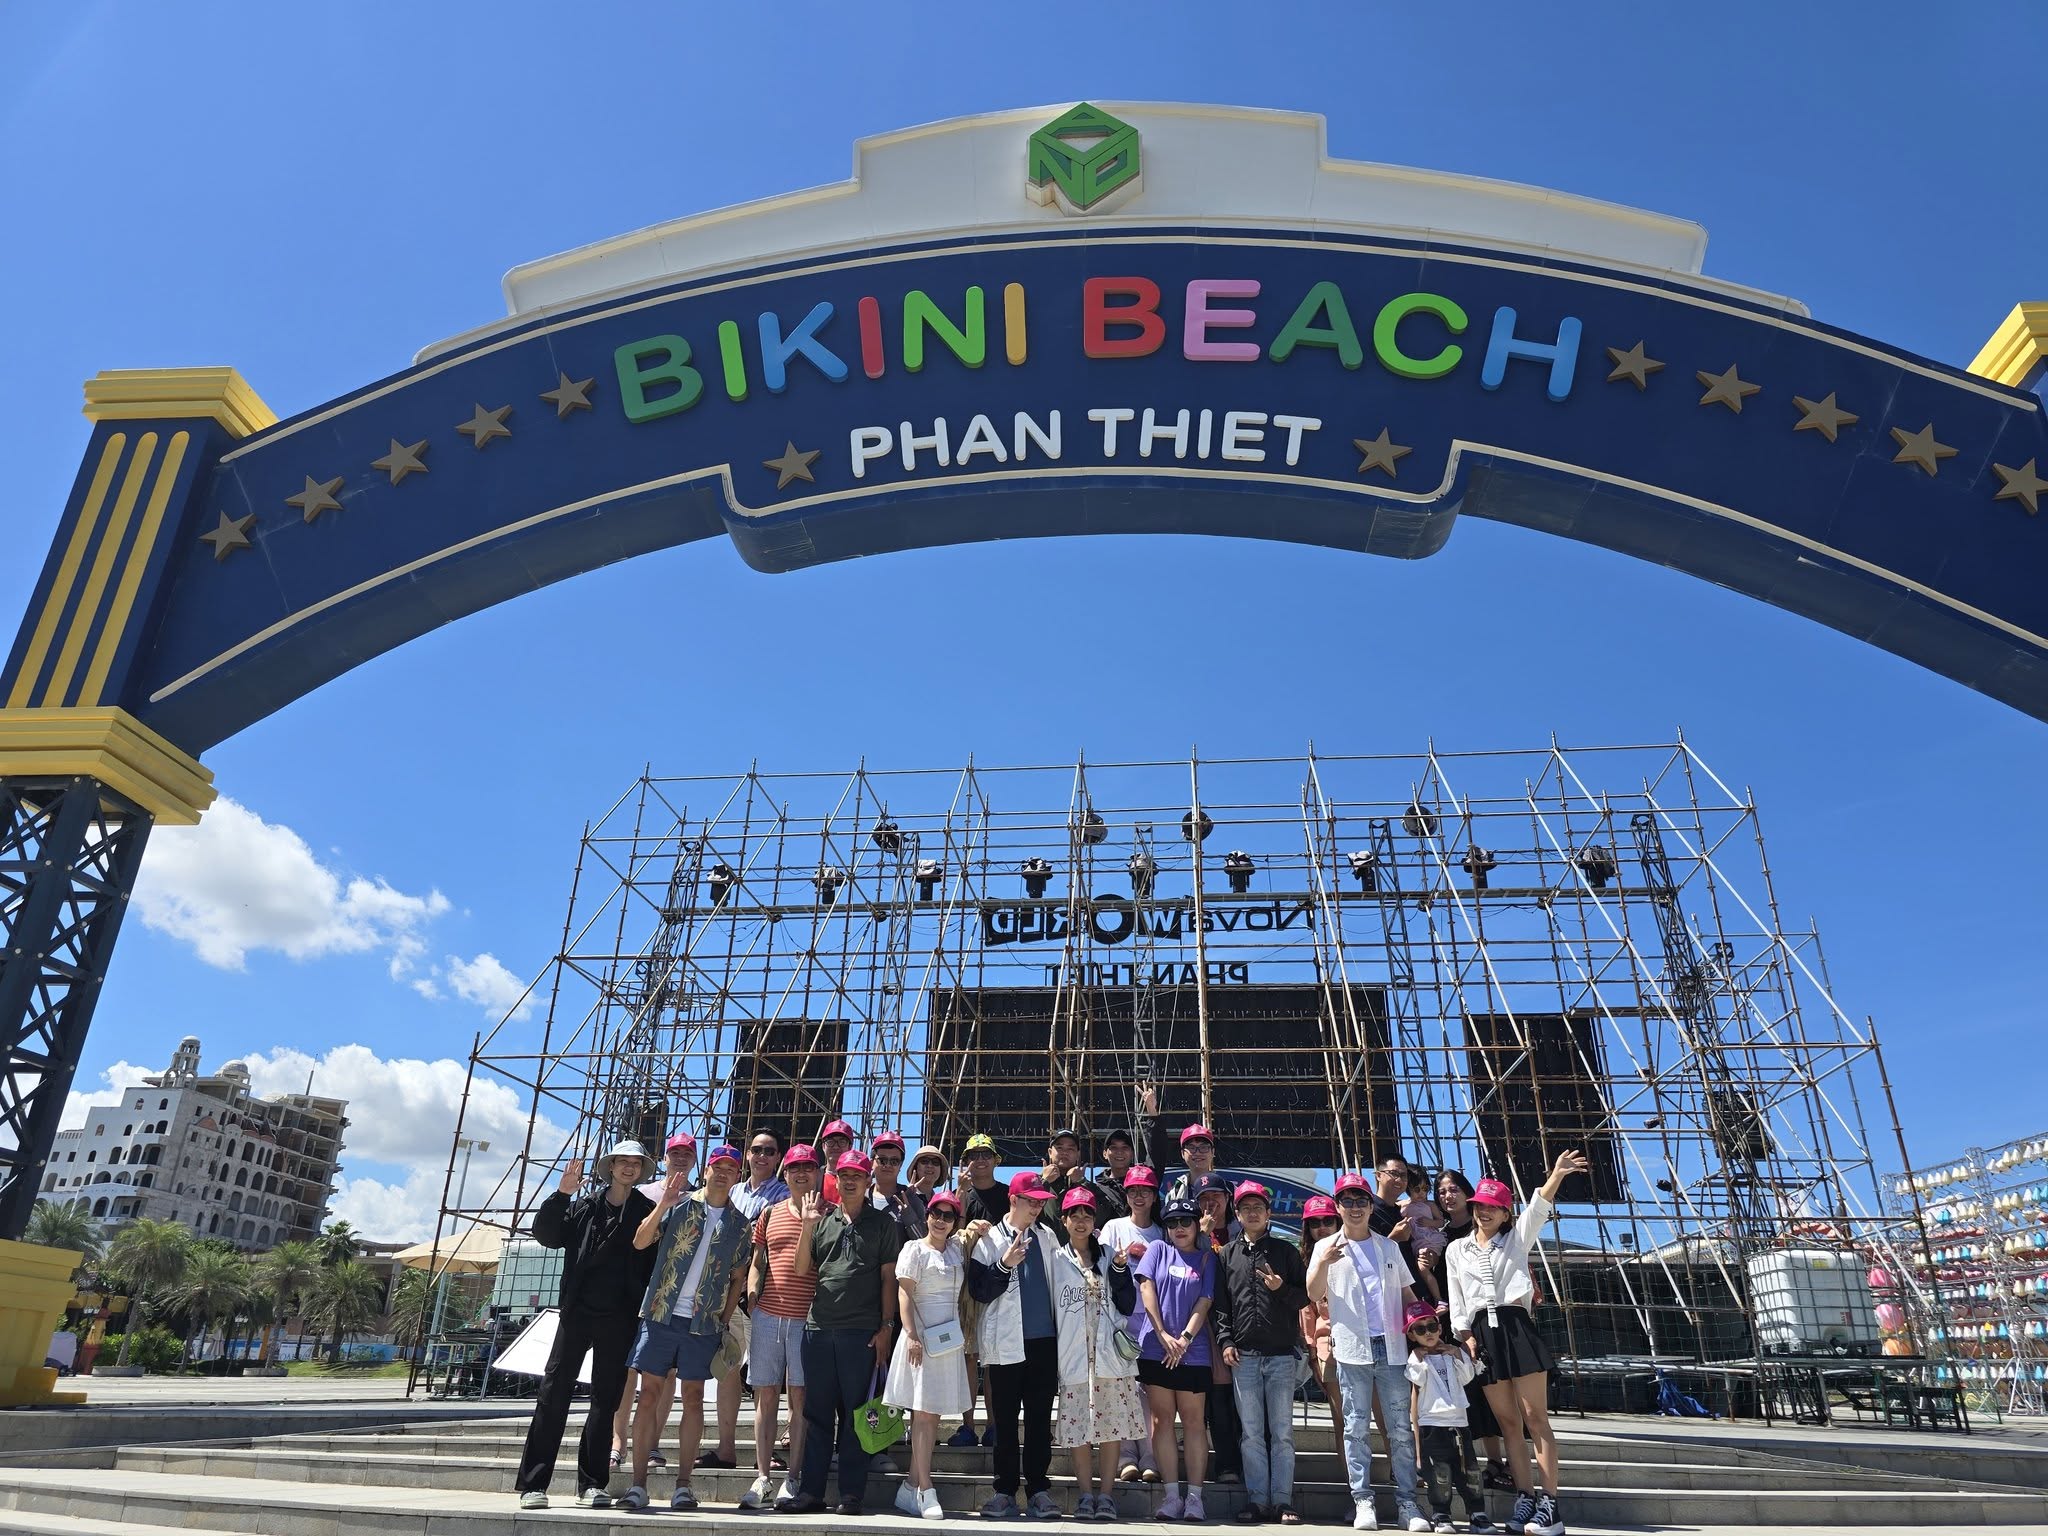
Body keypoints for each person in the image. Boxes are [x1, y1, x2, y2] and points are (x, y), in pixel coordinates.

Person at [1446, 1153, 1588, 1536]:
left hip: (1516, 1328)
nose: (1484, 1212)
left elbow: (1539, 1208)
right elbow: (1457, 1298)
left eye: (1493, 1207)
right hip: (1481, 1334)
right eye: (1479, 1205)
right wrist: (1465, 1335)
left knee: (1534, 1417)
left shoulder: (1516, 1239)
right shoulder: (1456, 1249)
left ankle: (1550, 1505)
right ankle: (1525, 1497)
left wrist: (1556, 1175)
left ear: (1506, 1213)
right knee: (1508, 1422)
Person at [514, 1140, 657, 1511]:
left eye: (635, 1162)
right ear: (610, 1167)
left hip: (620, 1316)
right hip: (577, 1312)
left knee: (605, 1402)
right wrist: (562, 1194)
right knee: (553, 1394)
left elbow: (653, 1261)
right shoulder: (584, 1205)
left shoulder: (647, 1211)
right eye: (622, 1161)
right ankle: (534, 1484)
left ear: (642, 1170)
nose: (628, 1167)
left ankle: (592, 1484)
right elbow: (547, 1236)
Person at [619, 1143, 752, 1512]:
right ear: (706, 1170)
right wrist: (663, 1203)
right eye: (717, 1166)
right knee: (649, 1395)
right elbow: (640, 1241)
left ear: (736, 1176)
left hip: (703, 1321)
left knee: (693, 1398)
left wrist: (723, 1320)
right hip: (661, 1313)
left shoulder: (740, 1225)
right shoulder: (679, 1204)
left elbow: (738, 1277)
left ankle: (683, 1485)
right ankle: (638, 1484)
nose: (722, 1173)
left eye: (730, 1169)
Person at [776, 1150, 900, 1515]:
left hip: (861, 1331)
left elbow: (888, 1279)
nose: (850, 1181)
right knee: (817, 1414)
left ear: (868, 1181)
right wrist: (807, 1226)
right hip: (818, 1329)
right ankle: (811, 1493)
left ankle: (851, 1494)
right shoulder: (823, 1220)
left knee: (856, 1415)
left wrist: (887, 1326)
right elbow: (802, 1268)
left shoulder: (883, 1223)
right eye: (844, 1175)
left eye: (857, 1176)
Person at [1308, 1171, 1424, 1533]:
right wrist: (1324, 1261)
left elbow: (1407, 1294)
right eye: (1348, 1201)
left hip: (1391, 1347)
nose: (1355, 1207)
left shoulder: (1388, 1247)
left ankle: (1408, 1502)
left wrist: (1425, 1322)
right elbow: (1312, 1293)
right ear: (1338, 1206)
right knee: (1355, 1427)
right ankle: (1363, 1500)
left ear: (1371, 1206)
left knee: (1400, 1428)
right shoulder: (1324, 1247)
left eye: (1361, 1200)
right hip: (1351, 1349)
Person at [966, 1170, 1065, 1520]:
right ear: (1013, 1199)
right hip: (1005, 1343)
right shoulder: (990, 1239)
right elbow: (978, 1290)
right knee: (1004, 1422)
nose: (1037, 1208)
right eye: (1031, 1201)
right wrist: (1003, 1265)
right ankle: (1004, 1491)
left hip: (1044, 1343)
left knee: (1039, 1420)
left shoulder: (1048, 1236)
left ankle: (1038, 1490)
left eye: (1041, 1202)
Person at [1213, 1180, 1308, 1525]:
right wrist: (1225, 1341)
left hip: (1281, 1355)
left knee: (1281, 1433)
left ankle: (1282, 1501)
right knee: (1251, 1433)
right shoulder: (1226, 1254)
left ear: (1269, 1213)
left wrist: (1281, 1288)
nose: (1252, 1213)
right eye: (1245, 1208)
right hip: (1244, 1356)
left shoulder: (1286, 1252)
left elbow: (1304, 1297)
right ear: (1236, 1214)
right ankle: (1257, 1500)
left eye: (1258, 1207)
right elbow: (1221, 1306)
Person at [1049, 1188, 1145, 1522]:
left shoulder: (1109, 1256)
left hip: (1108, 1357)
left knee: (1111, 1429)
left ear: (1094, 1221)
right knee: (1079, 1430)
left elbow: (1127, 1304)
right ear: (1064, 1220)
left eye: (1087, 1215)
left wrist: (1118, 1270)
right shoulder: (1055, 1259)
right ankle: (1085, 1495)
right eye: (1074, 1215)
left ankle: (1106, 1495)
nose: (1081, 1221)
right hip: (1074, 1356)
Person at [703, 1128, 791, 1475]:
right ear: (748, 1155)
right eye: (756, 1150)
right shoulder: (734, 1190)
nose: (762, 1156)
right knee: (728, 1368)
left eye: (769, 1151)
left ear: (778, 1157)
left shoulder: (784, 1193)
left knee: (764, 1376)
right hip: (726, 1291)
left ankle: (764, 1451)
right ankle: (726, 1448)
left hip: (764, 1293)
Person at [613, 1131, 698, 1471]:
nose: (680, 1158)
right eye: (675, 1153)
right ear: (664, 1158)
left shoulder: (699, 1199)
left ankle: (651, 1442)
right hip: (635, 1288)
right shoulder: (642, 1194)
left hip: (671, 1296)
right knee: (627, 1370)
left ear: (695, 1160)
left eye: (687, 1154)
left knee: (666, 1374)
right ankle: (617, 1440)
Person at [745, 1143, 823, 1509]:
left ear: (818, 1173)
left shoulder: (829, 1214)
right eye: (795, 1168)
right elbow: (758, 1259)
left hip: (807, 1319)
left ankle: (792, 1477)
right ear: (785, 1174)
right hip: (768, 1315)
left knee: (799, 1397)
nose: (801, 1173)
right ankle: (763, 1476)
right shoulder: (769, 1213)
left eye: (808, 1167)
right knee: (765, 1395)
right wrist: (752, 1293)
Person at [886, 1189, 972, 1520]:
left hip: (947, 1340)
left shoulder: (956, 1250)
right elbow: (904, 1293)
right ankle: (925, 1488)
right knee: (921, 1414)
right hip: (921, 1337)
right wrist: (910, 1335)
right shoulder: (914, 1249)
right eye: (936, 1213)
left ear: (955, 1222)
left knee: (932, 1415)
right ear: (927, 1215)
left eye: (948, 1216)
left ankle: (910, 1486)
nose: (941, 1220)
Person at [1135, 1198, 1216, 1523]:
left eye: (1185, 1221)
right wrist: (1162, 1334)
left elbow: (1205, 1301)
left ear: (1197, 1225)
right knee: (1161, 1421)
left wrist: (1183, 1339)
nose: (1179, 1228)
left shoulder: (1207, 1257)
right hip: (1156, 1350)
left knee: (1195, 1423)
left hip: (1192, 1353)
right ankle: (1171, 1496)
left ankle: (1195, 1498)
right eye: (1172, 1222)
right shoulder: (1157, 1250)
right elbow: (1146, 1289)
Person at [1432, 1171, 1506, 1490]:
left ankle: (1500, 1461)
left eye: (1454, 1190)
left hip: (1485, 1322)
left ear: (1467, 1194)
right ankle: (1478, 1463)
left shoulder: (1486, 1230)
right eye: (1441, 1191)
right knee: (1467, 1397)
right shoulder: (1437, 1234)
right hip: (1451, 1325)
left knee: (1493, 1394)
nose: (1447, 1196)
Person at [1403, 1301, 1488, 1534]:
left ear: (1440, 1328)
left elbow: (1468, 1377)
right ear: (1411, 1335)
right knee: (1438, 1474)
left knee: (1470, 1471)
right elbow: (1417, 1379)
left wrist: (1457, 1353)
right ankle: (1442, 1514)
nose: (1428, 1333)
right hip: (1432, 1423)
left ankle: (1477, 1514)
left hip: (1459, 1422)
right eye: (1420, 1330)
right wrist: (1419, 1357)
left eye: (1432, 1327)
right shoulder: (1415, 1358)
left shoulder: (1452, 1353)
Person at [1100, 1167, 1162, 1483]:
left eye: (1145, 1190)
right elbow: (1100, 1267)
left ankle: (1150, 1456)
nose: (1139, 1196)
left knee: (1150, 1392)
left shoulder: (1163, 1233)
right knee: (1122, 1389)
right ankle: (1126, 1456)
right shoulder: (1113, 1227)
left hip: (1153, 1323)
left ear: (1154, 1196)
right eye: (1133, 1191)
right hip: (1119, 1321)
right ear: (1126, 1196)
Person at [949, 1131, 1006, 1450]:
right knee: (969, 1357)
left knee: (994, 1360)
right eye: (974, 1155)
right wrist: (960, 1195)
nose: (980, 1160)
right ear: (966, 1161)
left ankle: (995, 1425)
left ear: (995, 1160)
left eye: (986, 1154)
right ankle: (968, 1425)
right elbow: (950, 1237)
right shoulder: (961, 1196)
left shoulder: (1009, 1194)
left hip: (1001, 1284)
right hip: (967, 1286)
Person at [1191, 1173, 1244, 1488]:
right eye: (1204, 1198)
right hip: (1206, 1324)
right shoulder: (1189, 1231)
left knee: (1247, 1402)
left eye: (1216, 1196)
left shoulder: (1243, 1229)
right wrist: (1201, 1236)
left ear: (1227, 1199)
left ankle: (1251, 1463)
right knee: (1218, 1399)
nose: (1210, 1203)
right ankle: (1226, 1464)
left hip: (1243, 1322)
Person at [1296, 1195, 1344, 1452]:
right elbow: (1307, 1313)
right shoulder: (1303, 1261)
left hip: (1366, 1345)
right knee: (1342, 1421)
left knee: (1381, 1415)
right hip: (1328, 1348)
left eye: (1327, 1221)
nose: (1322, 1227)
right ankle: (1351, 1477)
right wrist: (1313, 1354)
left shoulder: (1357, 1250)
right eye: (1315, 1223)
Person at [1401, 1167, 1447, 1313]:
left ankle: (1439, 1299)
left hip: (1430, 1240)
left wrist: (1430, 1222)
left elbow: (1441, 1221)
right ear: (1408, 1189)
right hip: (1417, 1244)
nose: (1421, 1193)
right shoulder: (1404, 1205)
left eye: (1425, 1189)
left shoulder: (1430, 1205)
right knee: (1416, 1269)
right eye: (1416, 1189)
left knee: (1422, 1268)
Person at [1089, 1127, 1143, 1222]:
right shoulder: (1096, 1190)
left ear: (1132, 1154)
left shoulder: (1142, 1184)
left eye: (1125, 1147)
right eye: (1114, 1148)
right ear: (1105, 1154)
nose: (1119, 1152)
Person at [902, 1144, 951, 1241]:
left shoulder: (941, 1204)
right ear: (915, 1167)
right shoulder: (902, 1196)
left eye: (935, 1162)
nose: (930, 1166)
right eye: (924, 1161)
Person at [818, 1119, 857, 1207]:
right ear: (823, 1146)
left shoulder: (859, 1180)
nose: (836, 1147)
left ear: (850, 1147)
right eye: (830, 1142)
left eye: (842, 1142)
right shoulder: (814, 1178)